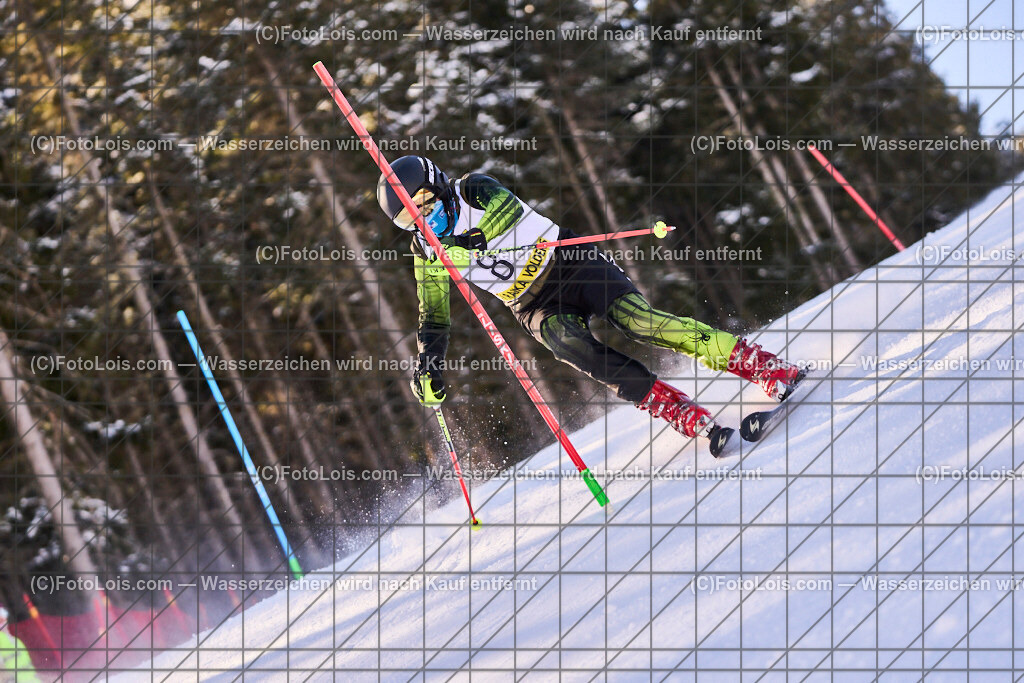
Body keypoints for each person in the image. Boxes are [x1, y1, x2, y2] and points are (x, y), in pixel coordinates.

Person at [377, 156, 805, 448]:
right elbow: (433, 314)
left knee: (639, 322)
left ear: (438, 186)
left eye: (425, 205)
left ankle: (762, 366)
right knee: (573, 347)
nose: (425, 220)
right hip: (532, 304)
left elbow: (506, 211)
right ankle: (676, 409)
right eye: (410, 219)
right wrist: (428, 362)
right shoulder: (425, 252)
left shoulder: (473, 189)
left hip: (569, 261)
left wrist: (470, 242)